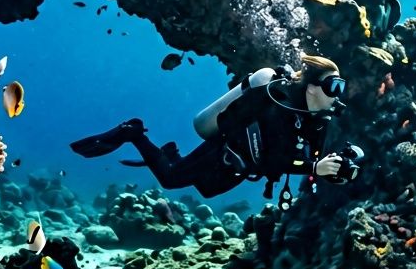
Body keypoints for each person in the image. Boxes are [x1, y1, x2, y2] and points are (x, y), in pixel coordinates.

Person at [70, 54, 356, 205]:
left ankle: (170, 152)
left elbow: (308, 156)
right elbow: (275, 161)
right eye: (334, 85)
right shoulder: (277, 104)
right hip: (224, 150)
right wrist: (313, 168)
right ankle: (133, 132)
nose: (338, 94)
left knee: (205, 190)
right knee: (170, 179)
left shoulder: (318, 118)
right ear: (313, 86)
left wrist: (332, 169)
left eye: (341, 86)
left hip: (242, 164)